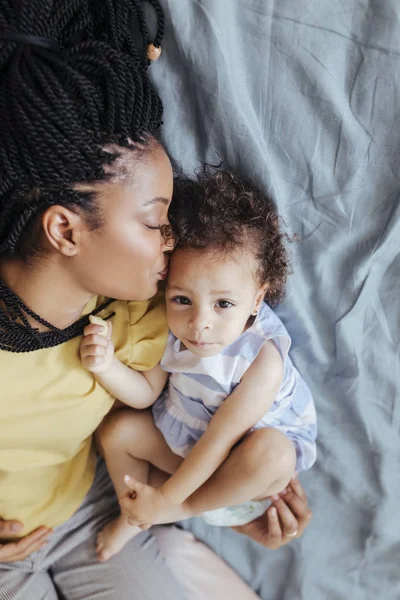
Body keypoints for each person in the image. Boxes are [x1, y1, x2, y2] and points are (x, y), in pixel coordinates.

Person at [0, 1, 313, 598]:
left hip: (90, 510)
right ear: (65, 230)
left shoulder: (149, 319)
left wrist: (242, 513)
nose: (174, 243)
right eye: (155, 222)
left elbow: (192, 426)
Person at [80, 169, 317, 561]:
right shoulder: (173, 328)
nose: (199, 323)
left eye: (224, 304)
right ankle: (135, 514)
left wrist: (171, 502)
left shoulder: (262, 359)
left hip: (239, 477)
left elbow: (220, 441)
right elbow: (145, 394)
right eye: (182, 299)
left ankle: (160, 512)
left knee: (275, 452)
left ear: (257, 299)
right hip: (188, 451)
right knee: (118, 431)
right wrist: (106, 367)